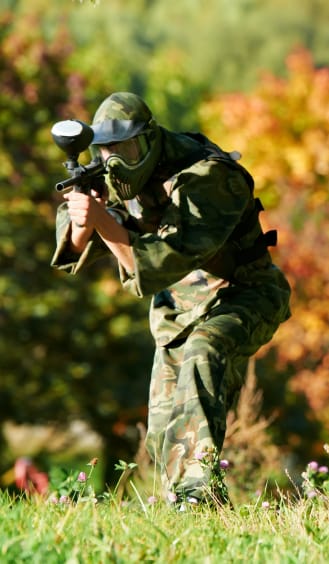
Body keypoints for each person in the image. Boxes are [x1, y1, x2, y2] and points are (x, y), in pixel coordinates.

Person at [51, 92, 292, 505]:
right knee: (165, 427)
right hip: (178, 309)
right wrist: (82, 219)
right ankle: (182, 509)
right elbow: (73, 245)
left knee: (206, 349)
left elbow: (161, 263)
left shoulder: (209, 178)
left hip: (245, 294)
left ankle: (201, 495)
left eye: (124, 148)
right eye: (104, 150)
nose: (114, 161)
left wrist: (105, 223)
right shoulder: (115, 172)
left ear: (148, 140)